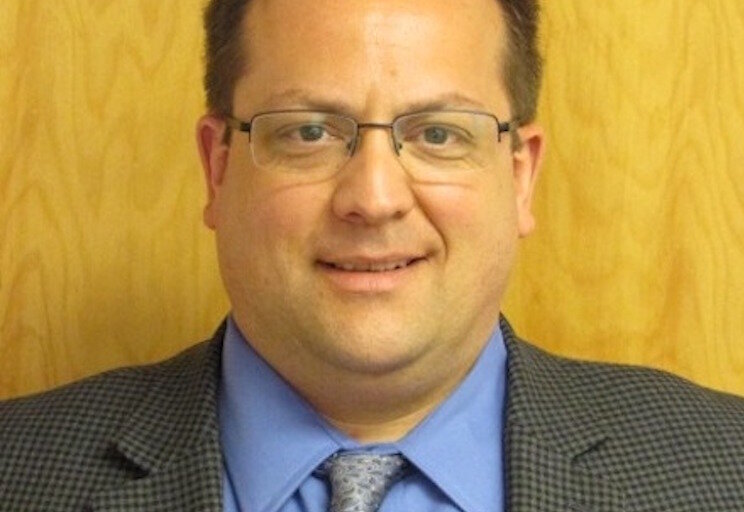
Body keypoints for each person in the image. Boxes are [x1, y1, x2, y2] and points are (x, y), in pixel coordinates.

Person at [1, 0, 743, 510]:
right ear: (218, 168)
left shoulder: (724, 470)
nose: (375, 197)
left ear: (520, 176)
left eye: (439, 134)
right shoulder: (18, 473)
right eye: (309, 132)